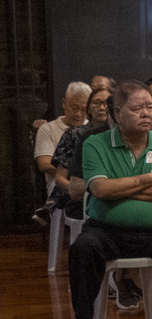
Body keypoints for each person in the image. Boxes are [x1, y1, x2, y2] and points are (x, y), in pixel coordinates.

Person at [63, 81, 152, 319]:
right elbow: (99, 189)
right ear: (117, 112)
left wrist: (119, 189)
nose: (147, 114)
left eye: (150, 108)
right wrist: (150, 179)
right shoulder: (95, 143)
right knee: (82, 248)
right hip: (106, 231)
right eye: (137, 108)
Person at [32, 81, 89, 225]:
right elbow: (44, 165)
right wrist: (72, 172)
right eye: (74, 107)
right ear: (64, 103)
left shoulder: (92, 129)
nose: (78, 114)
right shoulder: (48, 129)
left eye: (84, 109)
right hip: (61, 184)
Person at [52, 85, 113, 221]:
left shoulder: (121, 135)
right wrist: (86, 192)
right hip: (82, 196)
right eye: (97, 103)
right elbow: (60, 178)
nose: (102, 107)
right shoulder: (75, 134)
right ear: (89, 107)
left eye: (106, 103)